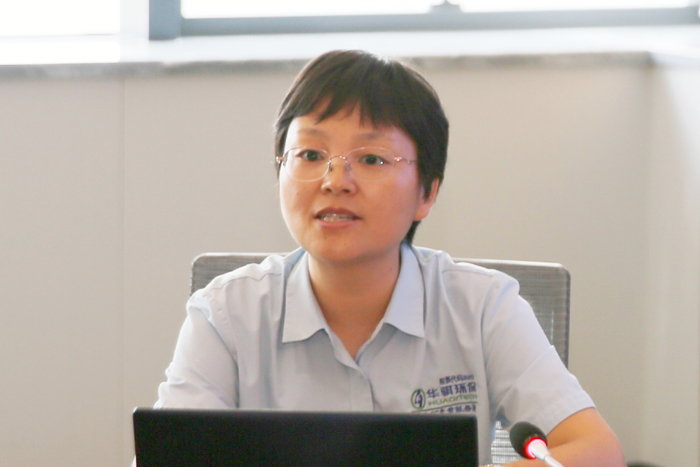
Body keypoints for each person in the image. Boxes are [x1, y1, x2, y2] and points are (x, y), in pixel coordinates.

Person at [154, 50, 625, 467]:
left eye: (372, 159)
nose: (335, 181)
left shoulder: (483, 309)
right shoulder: (225, 317)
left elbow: (598, 454)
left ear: (427, 193)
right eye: (311, 154)